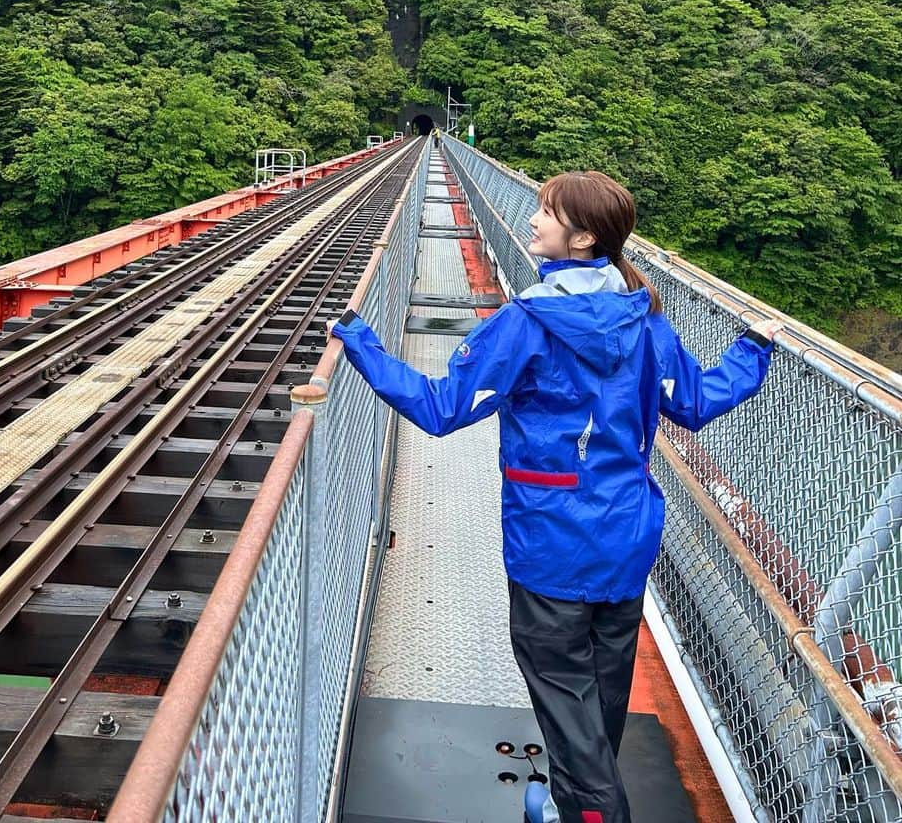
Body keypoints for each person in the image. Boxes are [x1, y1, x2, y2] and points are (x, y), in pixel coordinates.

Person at [330, 169, 781, 823]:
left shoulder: (526, 324)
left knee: (565, 701)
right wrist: (752, 350)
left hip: (550, 543)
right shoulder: (644, 320)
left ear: (581, 237)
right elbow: (696, 404)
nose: (534, 221)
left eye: (547, 212)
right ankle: (572, 805)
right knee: (598, 695)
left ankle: (594, 815)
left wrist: (361, 343)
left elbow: (442, 408)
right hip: (626, 539)